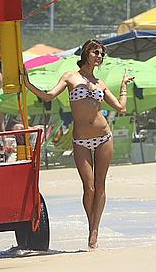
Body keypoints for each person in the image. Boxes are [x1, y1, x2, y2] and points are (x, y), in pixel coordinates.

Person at [24, 39, 134, 250]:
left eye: (101, 53)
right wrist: (28, 84)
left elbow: (120, 108)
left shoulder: (100, 83)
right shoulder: (70, 77)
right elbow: (48, 97)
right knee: (89, 187)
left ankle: (94, 230)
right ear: (86, 53)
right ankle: (91, 225)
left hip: (104, 137)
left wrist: (123, 87)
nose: (99, 56)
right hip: (81, 140)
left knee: (101, 185)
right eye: (95, 52)